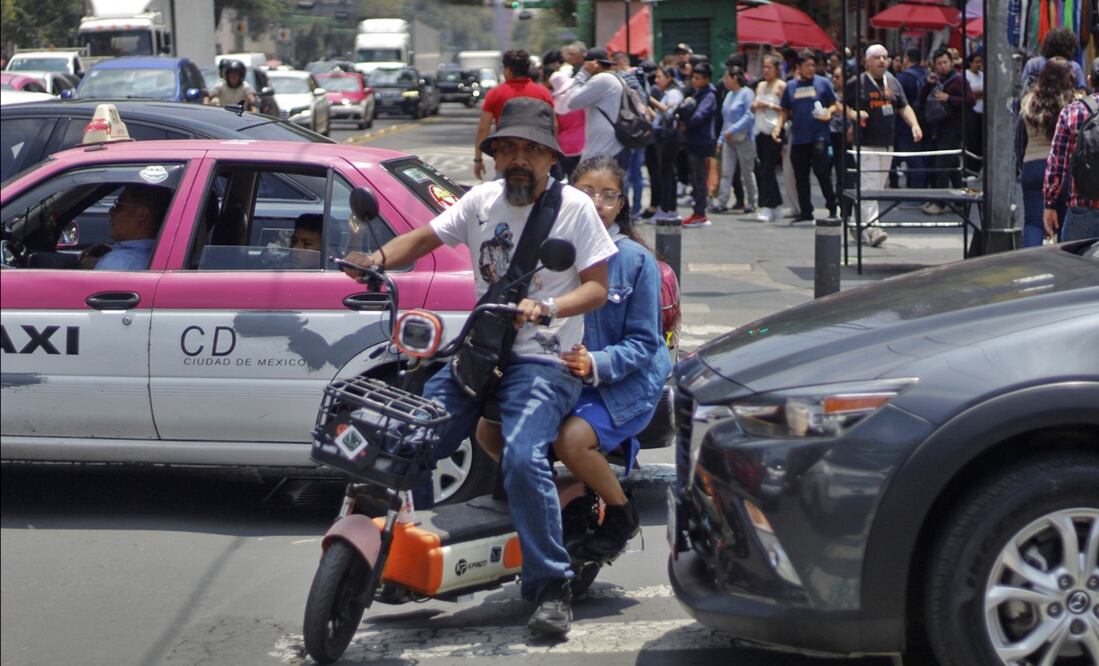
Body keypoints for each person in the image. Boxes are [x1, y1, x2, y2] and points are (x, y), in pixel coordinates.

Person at [342, 97, 617, 637]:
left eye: (529, 151)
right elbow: (423, 238)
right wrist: (375, 262)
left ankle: (550, 586)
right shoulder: (481, 200)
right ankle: (399, 554)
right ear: (493, 156)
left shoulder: (575, 210)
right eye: (507, 148)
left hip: (545, 359)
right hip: (482, 352)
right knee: (411, 438)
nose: (517, 160)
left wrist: (552, 306)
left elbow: (597, 288)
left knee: (520, 458)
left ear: (549, 159)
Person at [476, 155, 670, 564]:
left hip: (623, 380)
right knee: (489, 433)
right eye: (587, 193)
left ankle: (621, 514)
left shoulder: (634, 260)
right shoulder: (552, 247)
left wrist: (596, 363)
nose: (597, 203)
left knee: (571, 440)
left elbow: (644, 342)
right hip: (558, 373)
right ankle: (563, 500)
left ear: (621, 204)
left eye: (608, 195)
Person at [842, 44, 923, 247]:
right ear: (867, 61)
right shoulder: (857, 82)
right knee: (869, 187)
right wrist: (854, 115)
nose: (882, 61)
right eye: (877, 57)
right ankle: (873, 228)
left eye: (885, 57)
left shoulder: (893, 82)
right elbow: (842, 105)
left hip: (887, 144)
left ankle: (855, 222)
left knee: (876, 187)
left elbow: (904, 106)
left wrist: (914, 125)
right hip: (865, 144)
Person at [1016, 58, 1076, 247]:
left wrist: (1021, 166)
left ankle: (1030, 270)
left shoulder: (1029, 101)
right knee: (1065, 224)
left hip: (1032, 166)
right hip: (1063, 169)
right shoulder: (1073, 102)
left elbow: (1019, 140)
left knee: (1033, 223)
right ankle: (1062, 271)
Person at [775, 49, 838, 223]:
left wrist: (828, 112)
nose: (811, 69)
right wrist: (778, 128)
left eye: (813, 65)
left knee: (822, 172)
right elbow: (784, 111)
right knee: (800, 176)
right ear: (798, 67)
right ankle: (805, 211)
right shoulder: (791, 87)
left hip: (819, 136)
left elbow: (835, 104)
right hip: (799, 138)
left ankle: (832, 206)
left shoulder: (823, 83)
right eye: (807, 65)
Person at [474, 49, 554, 181]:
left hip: (507, 155)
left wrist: (478, 159)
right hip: (536, 155)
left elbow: (483, 128)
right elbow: (553, 126)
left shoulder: (495, 94)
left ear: (508, 70)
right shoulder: (543, 93)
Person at [1043, 58, 1099, 242]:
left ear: (1090, 81)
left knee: (1073, 267)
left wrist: (1050, 203)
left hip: (1083, 208)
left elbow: (1057, 162)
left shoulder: (1073, 112)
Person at [919, 48, 976, 213]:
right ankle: (961, 201)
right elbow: (921, 100)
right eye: (939, 64)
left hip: (955, 128)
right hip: (938, 127)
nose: (942, 66)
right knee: (952, 166)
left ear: (951, 63)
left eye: (945, 62)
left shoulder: (959, 81)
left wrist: (948, 98)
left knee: (942, 165)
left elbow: (970, 101)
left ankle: (940, 203)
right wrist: (928, 84)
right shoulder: (937, 80)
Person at [563, 48, 628, 169]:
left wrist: (583, 73)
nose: (584, 66)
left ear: (595, 63)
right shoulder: (615, 79)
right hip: (614, 146)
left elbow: (572, 102)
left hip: (603, 148)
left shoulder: (601, 80)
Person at [93, 184, 170, 271]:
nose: (111, 211)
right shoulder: (163, 254)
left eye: (118, 205)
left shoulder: (115, 263)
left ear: (141, 214)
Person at [712, 66, 757, 215]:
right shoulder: (729, 95)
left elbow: (749, 116)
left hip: (744, 138)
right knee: (726, 171)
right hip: (728, 139)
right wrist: (721, 139)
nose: (725, 81)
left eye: (727, 78)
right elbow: (726, 120)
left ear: (735, 78)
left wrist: (734, 129)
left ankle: (752, 201)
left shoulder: (747, 93)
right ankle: (722, 201)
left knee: (746, 172)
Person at [613, 51, 651, 220]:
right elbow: (646, 100)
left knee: (625, 172)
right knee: (637, 173)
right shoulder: (639, 77)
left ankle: (625, 211)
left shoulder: (621, 78)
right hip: (640, 129)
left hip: (626, 129)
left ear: (619, 63)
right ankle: (636, 209)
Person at [681, 61, 719, 228]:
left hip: (702, 141)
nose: (694, 81)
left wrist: (686, 123)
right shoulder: (698, 93)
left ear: (705, 79)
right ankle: (697, 211)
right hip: (693, 140)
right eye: (693, 77)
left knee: (700, 178)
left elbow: (700, 115)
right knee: (695, 178)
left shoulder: (709, 95)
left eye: (697, 78)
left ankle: (700, 213)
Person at [752, 54, 787, 222]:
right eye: (764, 67)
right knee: (763, 168)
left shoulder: (781, 86)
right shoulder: (760, 86)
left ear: (776, 69)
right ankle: (775, 203)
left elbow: (785, 109)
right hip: (760, 128)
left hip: (775, 129)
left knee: (768, 167)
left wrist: (768, 105)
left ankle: (767, 204)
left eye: (769, 67)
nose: (766, 70)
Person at [649, 64, 685, 222]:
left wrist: (650, 100)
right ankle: (668, 208)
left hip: (668, 138)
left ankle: (666, 209)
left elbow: (669, 111)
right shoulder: (667, 93)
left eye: (660, 77)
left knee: (666, 173)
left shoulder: (673, 93)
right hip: (663, 137)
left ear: (669, 78)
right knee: (665, 173)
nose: (657, 80)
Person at [890, 48, 928, 190]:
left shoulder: (903, 78)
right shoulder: (926, 75)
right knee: (921, 157)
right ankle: (918, 188)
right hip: (926, 121)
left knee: (913, 158)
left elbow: (897, 101)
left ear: (907, 59)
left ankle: (916, 193)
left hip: (906, 124)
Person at [1020, 27, 1089, 92]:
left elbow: (1023, 88)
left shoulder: (1033, 64)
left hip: (1037, 103)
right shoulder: (1074, 68)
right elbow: (1081, 92)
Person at [964, 52, 985, 176]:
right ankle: (969, 171)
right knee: (972, 143)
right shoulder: (966, 75)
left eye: (980, 62)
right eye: (976, 62)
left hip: (982, 113)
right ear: (970, 63)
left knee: (980, 145)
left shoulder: (982, 75)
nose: (979, 65)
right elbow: (970, 94)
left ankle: (977, 170)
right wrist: (979, 93)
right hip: (972, 113)